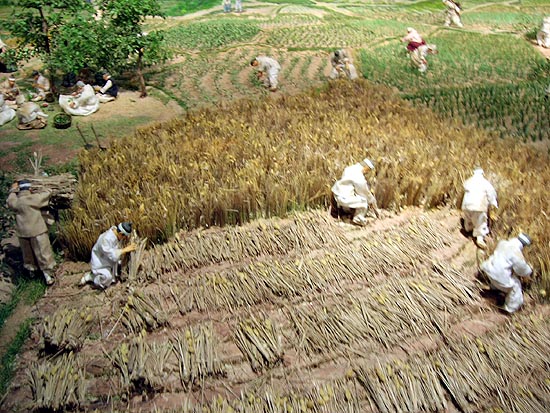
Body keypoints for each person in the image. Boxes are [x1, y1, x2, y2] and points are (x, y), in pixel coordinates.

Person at [6, 180, 56, 285]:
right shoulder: (33, 199)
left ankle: (32, 272)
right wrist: (45, 187)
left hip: (23, 232)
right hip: (37, 230)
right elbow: (46, 194)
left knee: (28, 254)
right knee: (43, 253)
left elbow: (10, 199)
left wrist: (13, 190)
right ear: (29, 189)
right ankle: (48, 275)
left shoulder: (16, 201)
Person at [480, 233, 533, 314]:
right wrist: (529, 270)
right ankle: (509, 309)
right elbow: (521, 270)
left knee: (502, 274)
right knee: (515, 286)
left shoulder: (503, 243)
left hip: (488, 269)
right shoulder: (516, 252)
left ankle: (495, 290)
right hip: (498, 275)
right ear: (524, 245)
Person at [80, 222, 136, 289]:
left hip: (108, 261)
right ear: (121, 234)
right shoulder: (106, 239)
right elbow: (111, 254)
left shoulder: (115, 233)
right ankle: (92, 277)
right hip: (100, 263)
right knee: (107, 278)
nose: (123, 239)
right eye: (124, 237)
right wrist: (125, 250)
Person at [331, 158, 379, 226]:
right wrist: (372, 201)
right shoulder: (359, 176)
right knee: (363, 201)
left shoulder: (349, 168)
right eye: (368, 170)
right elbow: (363, 192)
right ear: (366, 167)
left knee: (354, 200)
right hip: (343, 197)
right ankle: (358, 219)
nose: (366, 172)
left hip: (336, 193)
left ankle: (346, 216)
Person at [461, 167, 498, 249]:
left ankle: (468, 229)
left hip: (466, 205)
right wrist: (493, 203)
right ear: (482, 174)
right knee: (480, 222)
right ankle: (479, 238)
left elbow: (464, 187)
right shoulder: (485, 183)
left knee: (468, 218)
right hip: (479, 206)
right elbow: (491, 194)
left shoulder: (468, 181)